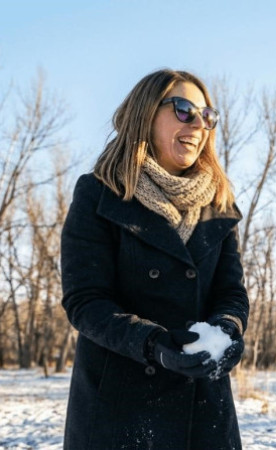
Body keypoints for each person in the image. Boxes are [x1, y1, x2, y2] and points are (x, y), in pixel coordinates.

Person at [60, 69, 249, 449]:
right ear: (145, 114)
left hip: (203, 411)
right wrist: (154, 345)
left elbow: (232, 293)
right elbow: (85, 301)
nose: (199, 123)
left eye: (207, 116)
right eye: (184, 110)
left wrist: (228, 330)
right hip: (120, 410)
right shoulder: (99, 195)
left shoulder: (220, 206)